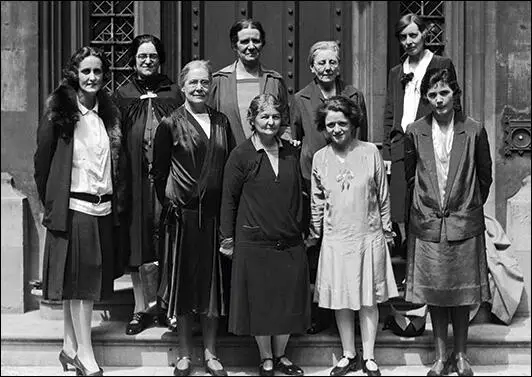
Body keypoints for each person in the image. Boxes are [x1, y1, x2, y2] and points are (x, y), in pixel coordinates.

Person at [34, 46, 127, 376]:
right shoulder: (61, 113)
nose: (92, 77)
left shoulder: (107, 114)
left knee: (81, 282)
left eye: (98, 72)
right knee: (82, 283)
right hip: (74, 206)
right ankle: (86, 354)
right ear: (75, 74)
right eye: (86, 71)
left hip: (102, 207)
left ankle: (69, 346)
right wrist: (54, 205)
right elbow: (42, 164)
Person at [404, 67, 492, 376]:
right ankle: (441, 357)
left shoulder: (474, 129)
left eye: (444, 93)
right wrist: (423, 210)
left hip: (463, 222)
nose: (439, 100)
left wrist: (467, 205)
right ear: (425, 98)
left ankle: (462, 355)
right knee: (436, 293)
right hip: (428, 223)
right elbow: (411, 177)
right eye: (432, 94)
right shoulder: (415, 130)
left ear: (455, 94)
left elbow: (485, 176)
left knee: (462, 293)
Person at [151, 60, 233, 377]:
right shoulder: (170, 123)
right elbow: (158, 173)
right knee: (185, 287)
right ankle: (184, 353)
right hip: (182, 219)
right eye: (193, 82)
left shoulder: (222, 122)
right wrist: (172, 203)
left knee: (213, 287)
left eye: (204, 82)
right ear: (183, 86)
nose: (199, 88)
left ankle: (212, 353)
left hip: (214, 218)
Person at [219, 94, 310, 376]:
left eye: (275, 117)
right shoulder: (241, 155)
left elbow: (302, 194)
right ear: (252, 121)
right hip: (254, 241)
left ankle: (282, 355)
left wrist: (305, 229)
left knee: (286, 300)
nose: (271, 122)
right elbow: (228, 199)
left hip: (289, 240)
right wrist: (227, 239)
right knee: (261, 302)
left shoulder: (292, 152)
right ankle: (266, 357)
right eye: (264, 117)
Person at [307, 96, 398, 377]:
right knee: (342, 299)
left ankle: (369, 356)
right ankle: (348, 354)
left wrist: (387, 229)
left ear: (353, 123)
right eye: (330, 124)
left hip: (368, 236)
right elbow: (316, 200)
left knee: (368, 299)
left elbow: (383, 195)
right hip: (336, 238)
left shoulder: (370, 152)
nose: (336, 129)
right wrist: (315, 232)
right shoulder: (320, 158)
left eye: (342, 123)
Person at [290, 40, 368, 335]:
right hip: (313, 184)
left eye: (332, 62)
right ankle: (320, 313)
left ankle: (354, 312)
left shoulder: (353, 95)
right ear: (312, 67)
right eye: (320, 63)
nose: (327, 68)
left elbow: (364, 140)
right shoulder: (300, 99)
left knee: (350, 249)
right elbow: (294, 140)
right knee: (317, 251)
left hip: (349, 186)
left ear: (339, 65)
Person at [113, 34, 184, 335]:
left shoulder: (174, 93)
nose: (147, 61)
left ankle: (167, 305)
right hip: (135, 181)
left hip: (167, 181)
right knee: (138, 242)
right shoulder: (123, 93)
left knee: (167, 241)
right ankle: (140, 308)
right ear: (133, 59)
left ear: (160, 59)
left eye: (153, 56)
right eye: (142, 56)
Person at [382, 13, 459, 253]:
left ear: (424, 34)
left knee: (426, 202)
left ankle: (429, 257)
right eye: (403, 37)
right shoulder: (397, 72)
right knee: (401, 207)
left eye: (413, 35)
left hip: (429, 142)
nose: (409, 41)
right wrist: (386, 151)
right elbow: (389, 112)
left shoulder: (441, 64)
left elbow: (453, 105)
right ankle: (407, 261)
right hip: (400, 143)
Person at [208, 18, 291, 146]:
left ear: (262, 43)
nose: (251, 46)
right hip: (229, 158)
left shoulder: (274, 81)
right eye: (245, 41)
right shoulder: (219, 81)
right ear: (235, 45)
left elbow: (284, 125)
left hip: (267, 156)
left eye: (256, 41)